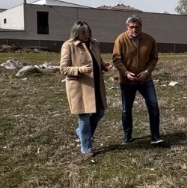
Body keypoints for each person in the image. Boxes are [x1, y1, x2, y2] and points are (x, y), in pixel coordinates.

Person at [60, 21, 111, 158]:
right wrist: (79, 69)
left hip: (96, 85)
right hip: (80, 87)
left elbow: (97, 60)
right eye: (83, 33)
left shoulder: (94, 43)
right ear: (76, 33)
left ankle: (81, 133)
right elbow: (63, 68)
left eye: (88, 32)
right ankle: (86, 148)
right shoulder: (68, 45)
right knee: (84, 118)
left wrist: (104, 65)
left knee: (100, 112)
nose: (87, 35)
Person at [112, 15, 164, 145]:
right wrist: (125, 72)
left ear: (141, 26)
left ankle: (155, 136)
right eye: (131, 27)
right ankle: (127, 136)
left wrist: (147, 72)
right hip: (127, 80)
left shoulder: (150, 40)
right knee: (126, 109)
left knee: (153, 106)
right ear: (127, 27)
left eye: (137, 27)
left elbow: (154, 58)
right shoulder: (121, 39)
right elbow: (117, 59)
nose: (134, 30)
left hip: (145, 80)